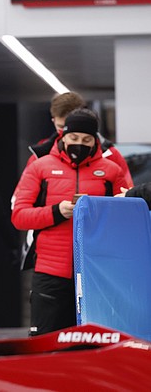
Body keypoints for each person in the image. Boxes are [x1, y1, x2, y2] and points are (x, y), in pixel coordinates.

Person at [12, 108, 127, 336]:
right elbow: (19, 216)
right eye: (73, 138)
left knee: (92, 344)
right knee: (45, 342)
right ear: (63, 136)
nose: (79, 144)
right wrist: (57, 212)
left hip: (96, 273)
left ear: (95, 140)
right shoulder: (40, 167)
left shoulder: (111, 171)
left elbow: (126, 216)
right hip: (50, 273)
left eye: (86, 140)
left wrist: (98, 214)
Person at [26, 91, 133, 186]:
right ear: (53, 121)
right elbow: (20, 201)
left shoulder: (110, 155)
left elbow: (126, 194)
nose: (65, 133)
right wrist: (55, 209)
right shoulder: (40, 155)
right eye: (61, 127)